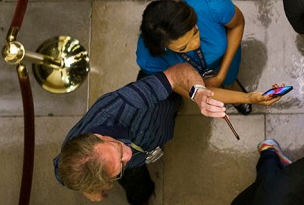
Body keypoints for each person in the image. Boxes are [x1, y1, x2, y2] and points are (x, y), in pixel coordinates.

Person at [54, 63, 226, 204]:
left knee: (173, 105)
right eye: (119, 168)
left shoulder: (129, 102)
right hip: (144, 151)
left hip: (159, 114)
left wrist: (198, 93)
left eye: (119, 149)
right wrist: (90, 188)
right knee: (136, 185)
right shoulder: (68, 169)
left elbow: (175, 73)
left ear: (97, 137)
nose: (128, 155)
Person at [136, 0, 281, 115]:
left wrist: (222, 74)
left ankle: (230, 84)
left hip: (227, 57)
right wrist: (249, 98)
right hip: (196, 81)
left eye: (195, 32)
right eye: (183, 47)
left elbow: (237, 24)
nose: (196, 43)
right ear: (163, 48)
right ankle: (234, 92)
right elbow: (197, 93)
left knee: (230, 76)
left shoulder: (211, 7)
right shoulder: (150, 60)